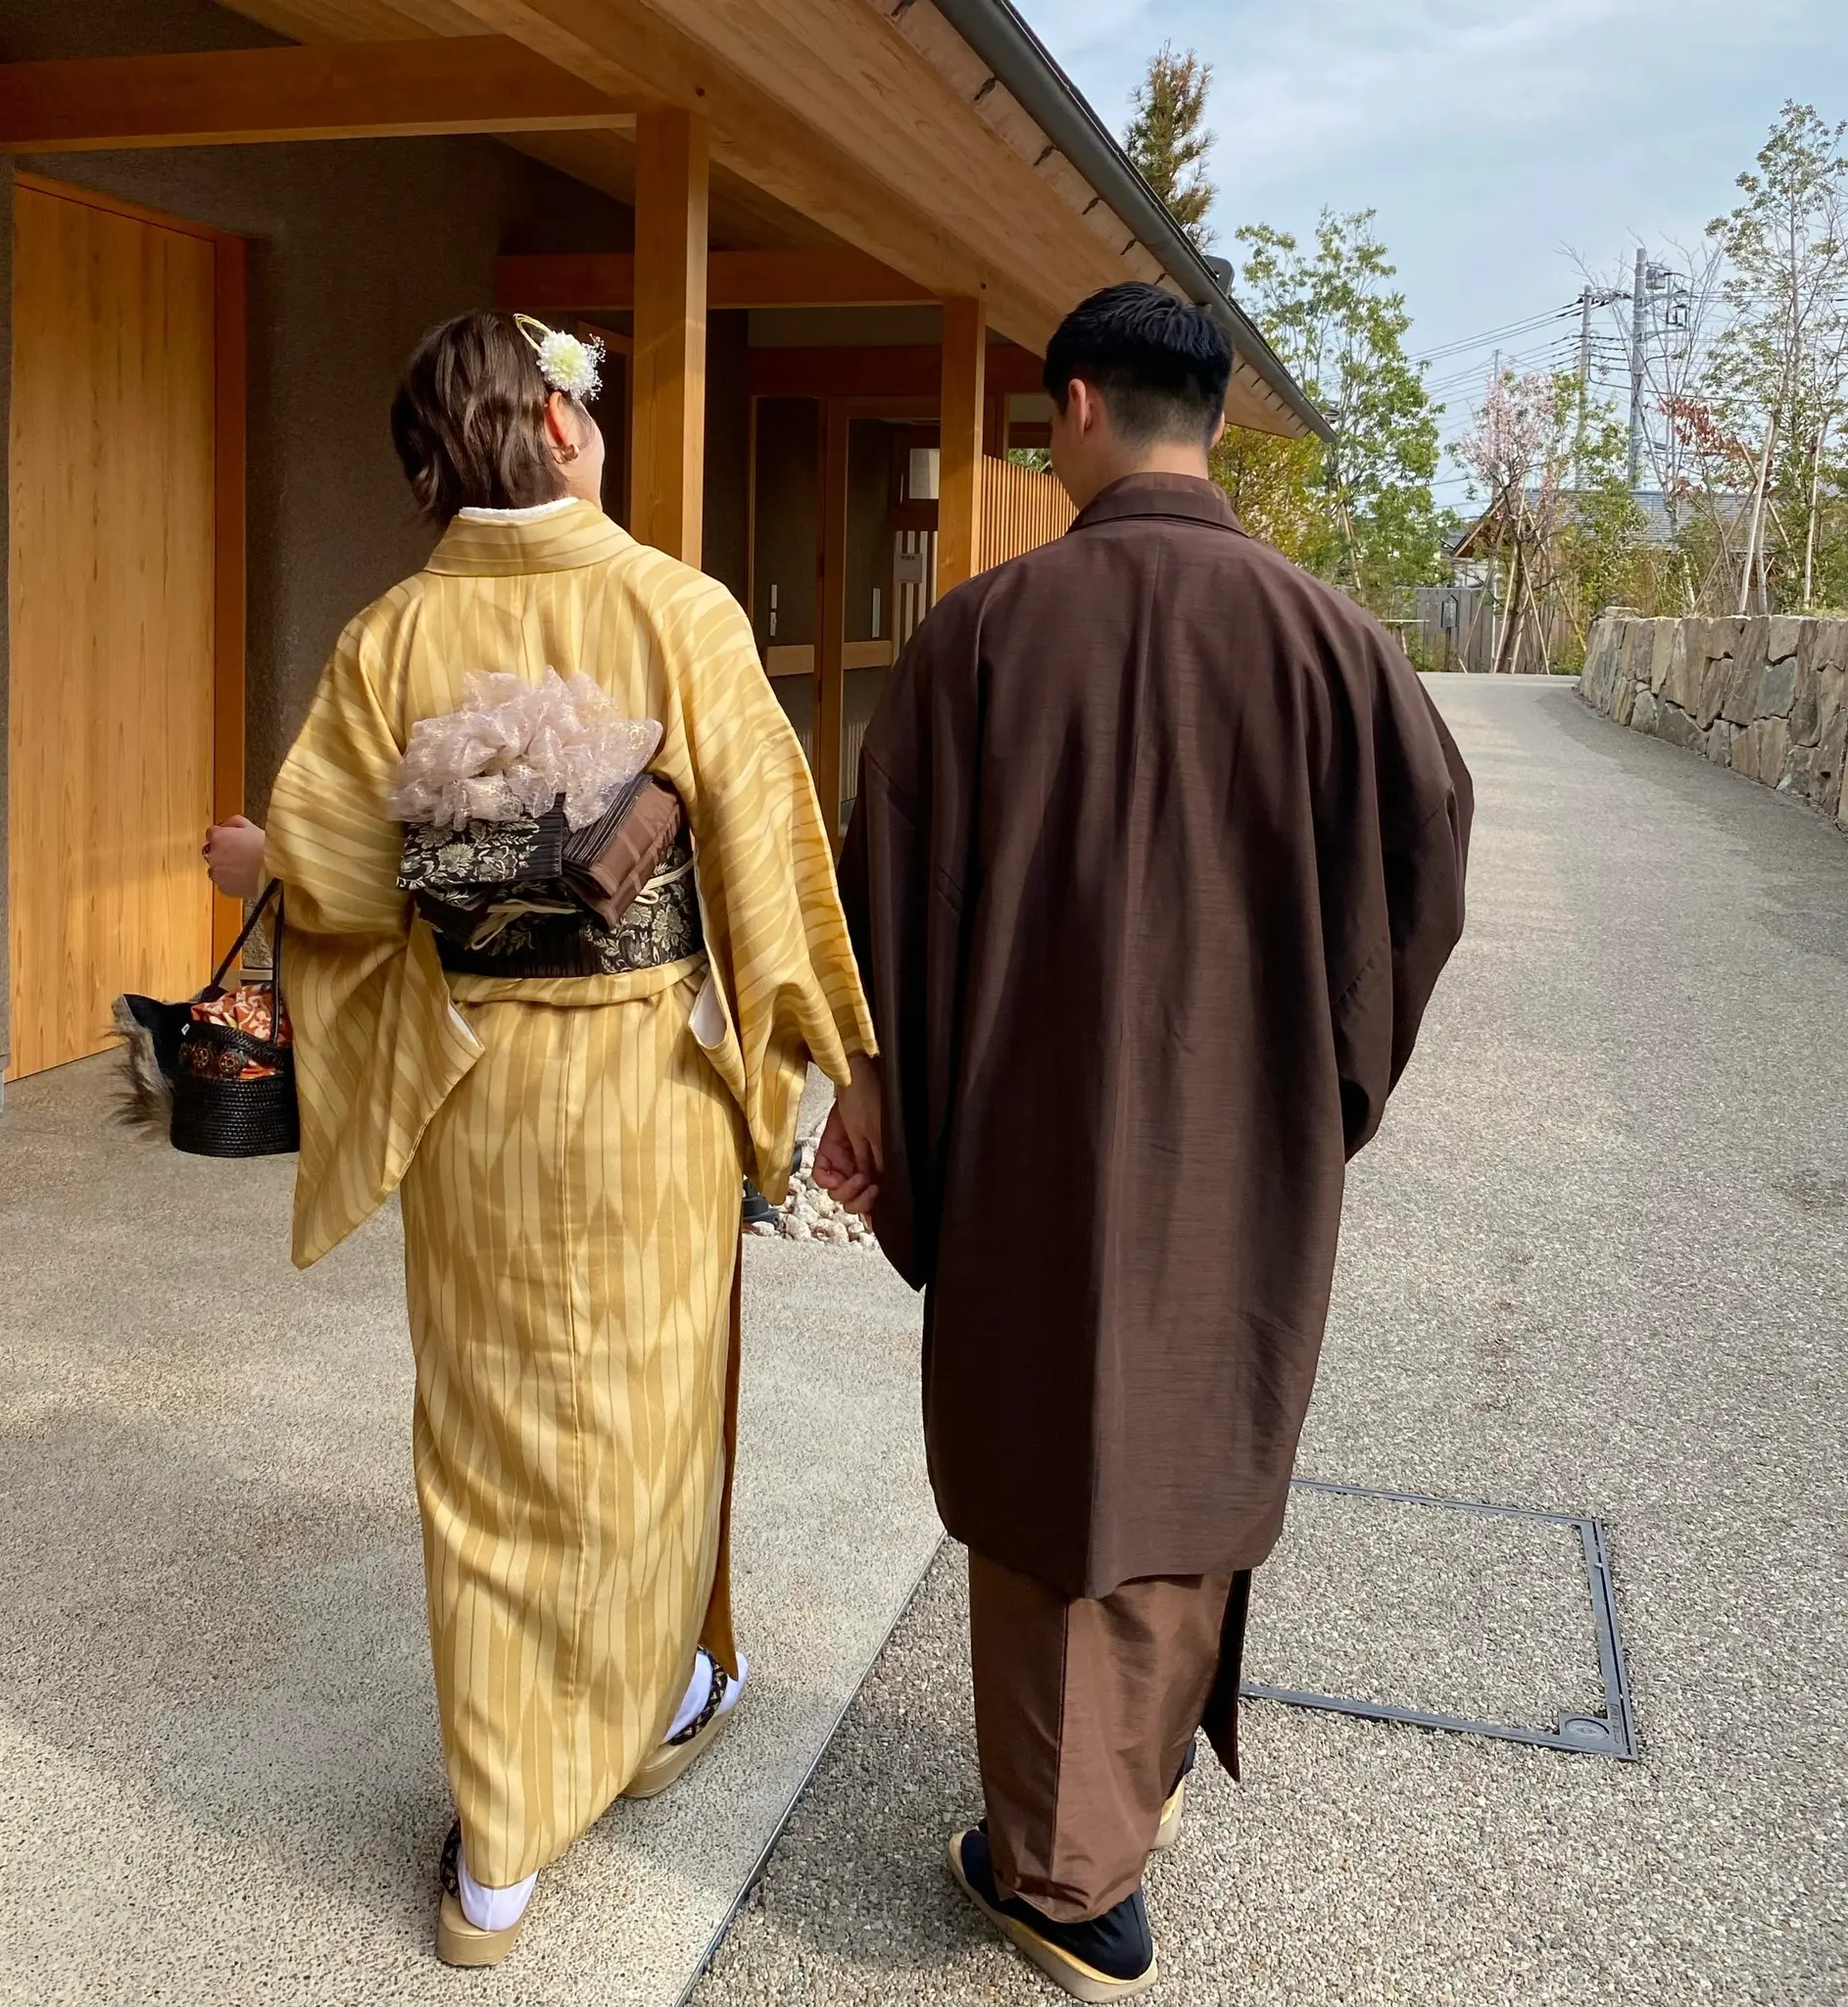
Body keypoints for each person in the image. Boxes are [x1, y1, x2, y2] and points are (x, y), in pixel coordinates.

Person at [815, 282, 1472, 2003]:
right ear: (1214, 414)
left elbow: (883, 892)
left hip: (1034, 1127)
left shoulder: (981, 635)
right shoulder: (1335, 641)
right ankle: (1134, 1781)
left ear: (1083, 407)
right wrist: (1333, 1080)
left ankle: (1063, 1878)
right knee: (1190, 1428)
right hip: (1242, 1130)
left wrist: (887, 1087)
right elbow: (1429, 861)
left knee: (1049, 1460)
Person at [212, 311, 873, 1968]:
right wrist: (810, 1059)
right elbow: (773, 874)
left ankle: (498, 1851)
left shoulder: (387, 638)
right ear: (562, 433)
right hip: (645, 1092)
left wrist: (262, 872)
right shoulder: (677, 608)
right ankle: (646, 1715)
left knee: (489, 1448)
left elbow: (348, 875)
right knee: (645, 1422)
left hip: (477, 1099)